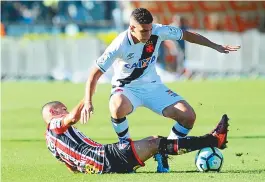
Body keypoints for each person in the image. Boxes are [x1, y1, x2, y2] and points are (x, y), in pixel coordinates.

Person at [80, 8, 239, 172]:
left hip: (153, 87)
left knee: (188, 116)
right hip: (126, 88)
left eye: (149, 29)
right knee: (117, 106)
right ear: (132, 28)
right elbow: (94, 74)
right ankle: (125, 148)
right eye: (143, 31)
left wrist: (215, 46)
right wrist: (88, 102)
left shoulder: (158, 31)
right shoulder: (119, 44)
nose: (148, 34)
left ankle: (163, 152)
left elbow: (187, 35)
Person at [43, 100, 229, 174]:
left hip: (100, 162)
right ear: (53, 111)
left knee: (154, 140)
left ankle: (161, 160)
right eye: (63, 108)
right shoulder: (54, 123)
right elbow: (72, 118)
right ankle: (213, 140)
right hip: (104, 157)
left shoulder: (50, 142)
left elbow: (72, 168)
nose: (65, 111)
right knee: (156, 143)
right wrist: (87, 97)